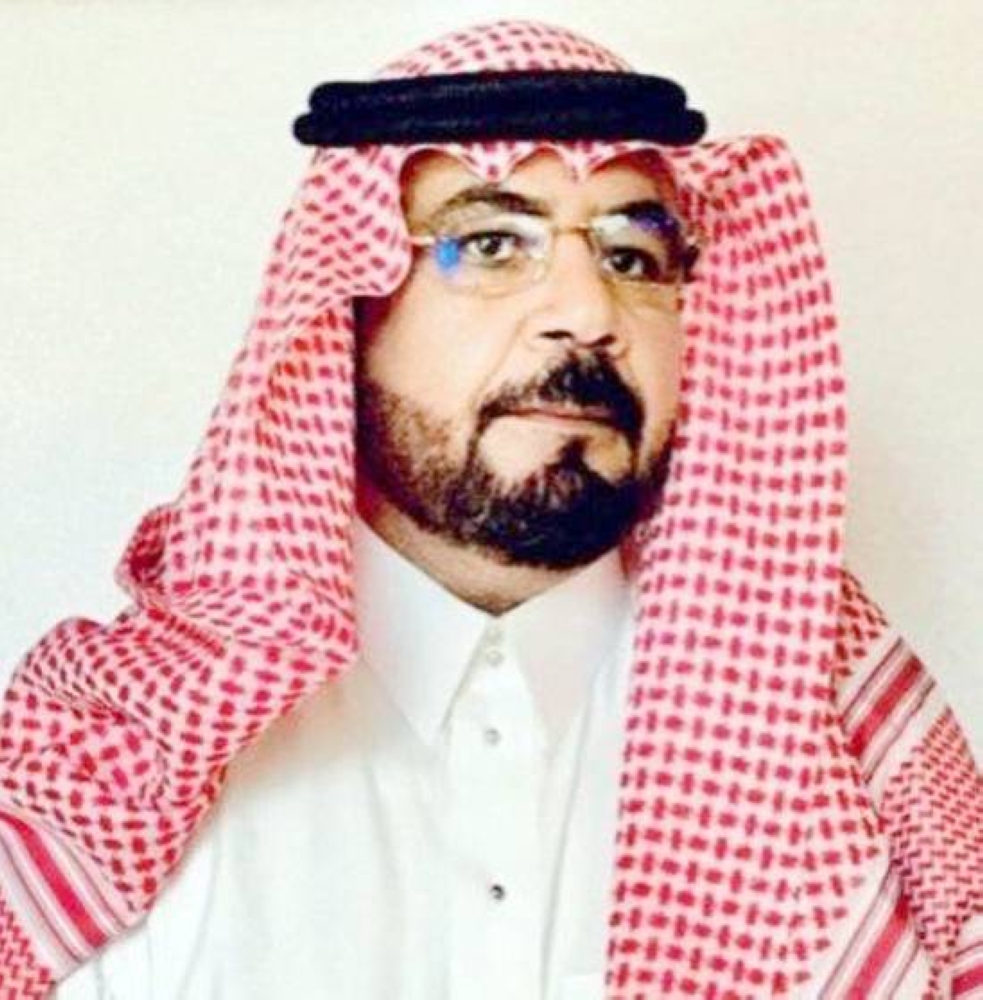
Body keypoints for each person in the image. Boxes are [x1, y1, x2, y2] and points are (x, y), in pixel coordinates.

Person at [1, 19, 979, 1000]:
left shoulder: (853, 752)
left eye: (633, 258)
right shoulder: (112, 774)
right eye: (491, 244)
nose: (587, 313)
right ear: (346, 311)